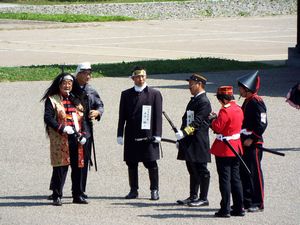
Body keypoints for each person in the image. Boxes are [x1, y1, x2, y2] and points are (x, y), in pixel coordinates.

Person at [41, 72, 88, 206]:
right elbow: (48, 118)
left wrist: (83, 134)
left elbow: (82, 118)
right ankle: (57, 195)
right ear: (59, 85)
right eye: (64, 83)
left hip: (77, 138)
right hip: (61, 138)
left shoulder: (77, 99)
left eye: (70, 83)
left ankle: (77, 195)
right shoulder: (52, 99)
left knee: (78, 167)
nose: (67, 86)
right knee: (60, 168)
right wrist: (62, 128)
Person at [117, 66, 163, 200]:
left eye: (143, 76)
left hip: (148, 135)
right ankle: (133, 189)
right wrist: (120, 133)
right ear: (133, 79)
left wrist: (158, 134)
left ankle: (154, 189)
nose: (140, 79)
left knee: (151, 163)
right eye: (137, 77)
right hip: (131, 133)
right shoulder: (126, 94)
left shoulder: (154, 94)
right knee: (131, 163)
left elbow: (158, 116)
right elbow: (122, 116)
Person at [175, 73, 211, 207]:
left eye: (191, 84)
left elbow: (197, 122)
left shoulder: (204, 102)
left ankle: (203, 197)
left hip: (199, 141)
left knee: (202, 169)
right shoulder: (194, 100)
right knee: (192, 168)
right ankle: (193, 195)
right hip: (190, 140)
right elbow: (186, 119)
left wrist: (184, 133)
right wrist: (181, 135)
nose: (189, 86)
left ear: (199, 84)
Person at [210, 86, 245, 218]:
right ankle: (238, 207)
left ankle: (225, 209)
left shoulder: (225, 111)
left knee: (225, 180)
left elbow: (218, 128)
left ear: (224, 99)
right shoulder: (238, 108)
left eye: (220, 99)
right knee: (236, 178)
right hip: (236, 146)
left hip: (224, 148)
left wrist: (212, 120)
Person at [237, 71, 267, 213]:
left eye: (241, 88)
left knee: (255, 173)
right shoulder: (247, 101)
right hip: (244, 142)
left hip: (253, 143)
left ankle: (258, 202)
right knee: (244, 172)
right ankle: (247, 200)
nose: (240, 90)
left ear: (247, 88)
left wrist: (253, 138)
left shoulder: (257, 102)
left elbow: (262, 123)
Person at [74, 62, 104, 198]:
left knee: (83, 161)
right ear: (78, 73)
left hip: (86, 130)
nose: (88, 76)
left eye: (89, 73)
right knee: (64, 161)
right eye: (85, 73)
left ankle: (80, 189)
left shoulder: (91, 90)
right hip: (69, 130)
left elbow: (100, 105)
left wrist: (97, 112)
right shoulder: (69, 87)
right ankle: (56, 189)